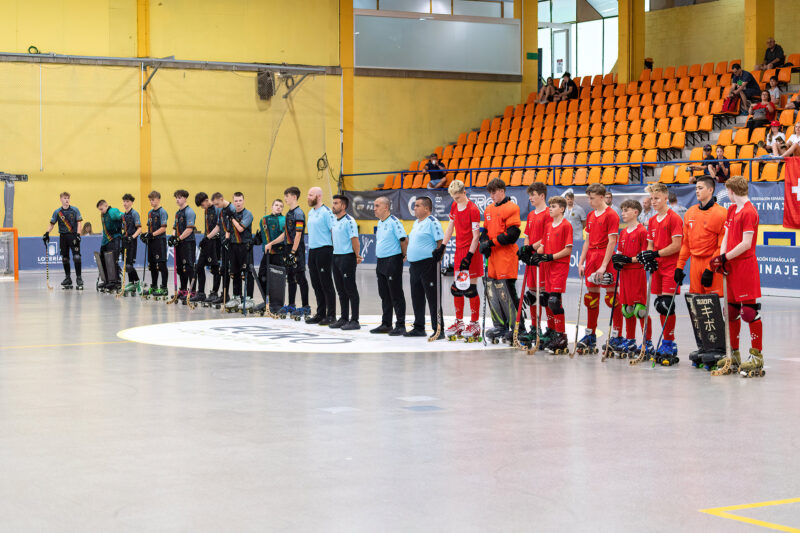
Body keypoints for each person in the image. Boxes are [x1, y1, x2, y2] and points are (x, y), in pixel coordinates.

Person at [709, 176, 764, 376]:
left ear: (732, 191)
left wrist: (726, 257)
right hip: (731, 265)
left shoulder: (749, 211)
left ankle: (757, 356)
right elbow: (726, 236)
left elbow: (746, 243)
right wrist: (721, 258)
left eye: (728, 191)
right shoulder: (732, 209)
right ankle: (733, 354)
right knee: (731, 311)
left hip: (745, 266)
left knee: (749, 312)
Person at [674, 176, 727, 364]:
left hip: (711, 264)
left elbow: (721, 246)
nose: (697, 191)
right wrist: (679, 266)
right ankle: (704, 346)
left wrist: (710, 269)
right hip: (695, 264)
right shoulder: (690, 212)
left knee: (711, 307)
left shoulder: (721, 213)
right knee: (696, 307)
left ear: (711, 190)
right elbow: (686, 244)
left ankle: (718, 348)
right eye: (696, 188)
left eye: (700, 188)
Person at [636, 183, 683, 365]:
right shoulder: (653, 220)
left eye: (656, 198)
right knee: (659, 304)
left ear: (665, 198)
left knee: (667, 305)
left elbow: (676, 245)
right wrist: (649, 256)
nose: (653, 202)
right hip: (657, 267)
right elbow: (650, 243)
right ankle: (664, 342)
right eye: (651, 199)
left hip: (670, 266)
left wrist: (655, 254)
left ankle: (669, 343)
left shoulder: (674, 218)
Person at [432, 179, 482, 341]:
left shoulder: (473, 210)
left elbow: (476, 236)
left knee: (471, 289)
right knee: (457, 288)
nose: (456, 200)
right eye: (454, 198)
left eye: (458, 197)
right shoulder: (454, 206)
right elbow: (450, 227)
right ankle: (459, 322)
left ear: (464, 192)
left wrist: (469, 256)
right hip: (459, 251)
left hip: (471, 251)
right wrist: (442, 246)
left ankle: (474, 324)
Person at [576, 183, 620, 354]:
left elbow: (612, 241)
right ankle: (590, 334)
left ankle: (617, 335)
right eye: (589, 198)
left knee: (612, 298)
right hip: (591, 257)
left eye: (592, 198)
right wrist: (581, 262)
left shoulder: (611, 215)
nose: (590, 201)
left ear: (602, 197)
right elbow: (587, 241)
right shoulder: (590, 215)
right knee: (591, 298)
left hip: (604, 256)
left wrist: (603, 266)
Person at [479, 178, 522, 343]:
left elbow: (512, 235)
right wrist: (484, 242)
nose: (491, 195)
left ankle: (518, 327)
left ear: (502, 191)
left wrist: (490, 243)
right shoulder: (489, 209)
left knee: (507, 293)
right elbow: (485, 230)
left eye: (494, 192)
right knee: (493, 293)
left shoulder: (511, 208)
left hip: (506, 257)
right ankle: (500, 325)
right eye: (490, 193)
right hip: (493, 258)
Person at [531, 196, 573, 354]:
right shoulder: (548, 225)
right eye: (550, 206)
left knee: (554, 301)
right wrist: (536, 254)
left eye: (554, 206)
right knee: (546, 300)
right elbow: (542, 246)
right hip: (547, 267)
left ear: (561, 209)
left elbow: (568, 249)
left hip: (559, 266)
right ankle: (552, 331)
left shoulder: (566, 225)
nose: (550, 209)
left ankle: (561, 336)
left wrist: (551, 256)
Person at [610, 199, 652, 357]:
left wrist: (628, 259)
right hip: (625, 274)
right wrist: (617, 260)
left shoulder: (642, 231)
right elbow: (620, 252)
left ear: (635, 212)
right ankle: (630, 339)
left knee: (640, 309)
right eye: (622, 210)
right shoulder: (623, 233)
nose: (623, 213)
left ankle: (647, 342)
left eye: (626, 210)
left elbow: (643, 255)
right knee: (627, 309)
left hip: (637, 272)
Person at [266, 187, 310, 319]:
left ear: (294, 197)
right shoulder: (288, 214)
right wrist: (272, 243)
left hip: (296, 250)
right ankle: (291, 305)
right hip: (287, 248)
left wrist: (293, 252)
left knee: (300, 277)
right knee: (290, 278)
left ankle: (306, 307)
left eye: (287, 196)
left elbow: (298, 235)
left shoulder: (299, 213)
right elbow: (285, 234)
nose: (285, 198)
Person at [405, 196, 444, 338]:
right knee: (417, 297)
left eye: (417, 205)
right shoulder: (416, 223)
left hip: (428, 265)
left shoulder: (432, 222)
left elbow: (441, 242)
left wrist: (438, 259)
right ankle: (419, 327)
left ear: (426, 208)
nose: (414, 208)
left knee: (433, 299)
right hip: (414, 266)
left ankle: (438, 330)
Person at [518, 182, 552, 346]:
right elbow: (527, 236)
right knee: (532, 294)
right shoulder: (531, 215)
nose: (530, 198)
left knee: (545, 295)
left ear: (542, 196)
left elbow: (546, 237)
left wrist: (532, 248)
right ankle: (535, 327)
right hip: (532, 259)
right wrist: (526, 249)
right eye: (529, 195)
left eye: (533, 195)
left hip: (542, 258)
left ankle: (551, 329)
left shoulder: (548, 213)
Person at [372, 196, 407, 336]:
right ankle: (386, 324)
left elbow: (403, 239)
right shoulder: (380, 222)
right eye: (374, 206)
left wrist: (403, 255)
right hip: (381, 261)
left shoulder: (394, 222)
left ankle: (400, 325)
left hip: (393, 260)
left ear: (386, 207)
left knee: (396, 293)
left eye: (377, 206)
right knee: (384, 294)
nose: (374, 209)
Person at [330, 195, 362, 330]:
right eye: (333, 203)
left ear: (343, 206)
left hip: (347, 257)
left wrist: (357, 255)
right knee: (340, 290)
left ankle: (354, 320)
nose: (333, 205)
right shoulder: (334, 220)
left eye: (336, 203)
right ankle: (343, 318)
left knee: (350, 289)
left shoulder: (349, 221)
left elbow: (355, 239)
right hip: (336, 257)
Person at [305, 187, 337, 325]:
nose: (308, 197)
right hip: (312, 250)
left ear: (318, 196)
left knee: (326, 283)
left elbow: (334, 231)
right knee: (316, 283)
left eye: (310, 195)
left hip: (325, 250)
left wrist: (336, 250)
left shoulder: (326, 212)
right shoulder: (311, 212)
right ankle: (320, 313)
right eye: (308, 194)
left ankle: (331, 315)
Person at [44, 192, 84, 289]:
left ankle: (79, 278)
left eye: (68, 198)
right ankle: (68, 278)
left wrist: (78, 234)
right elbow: (52, 224)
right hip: (63, 237)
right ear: (61, 199)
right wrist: (47, 233)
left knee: (77, 257)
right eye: (65, 198)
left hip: (73, 236)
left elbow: (79, 223)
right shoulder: (57, 212)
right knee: (65, 258)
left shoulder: (75, 210)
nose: (67, 200)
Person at [223, 192, 255, 311]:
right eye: (236, 201)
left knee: (247, 273)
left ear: (243, 201)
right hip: (233, 246)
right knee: (235, 272)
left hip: (245, 246)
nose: (238, 203)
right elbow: (228, 229)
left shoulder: (248, 214)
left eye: (240, 200)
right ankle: (236, 297)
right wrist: (226, 239)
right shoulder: (231, 215)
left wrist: (232, 218)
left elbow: (240, 228)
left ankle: (249, 298)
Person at [257, 199, 285, 314]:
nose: (278, 207)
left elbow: (284, 236)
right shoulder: (264, 219)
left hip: (278, 254)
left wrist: (271, 244)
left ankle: (276, 304)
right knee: (261, 276)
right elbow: (264, 235)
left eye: (281, 206)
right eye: (276, 205)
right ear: (272, 206)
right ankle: (267, 301)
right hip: (266, 254)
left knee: (277, 280)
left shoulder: (283, 219)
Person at [193, 192, 221, 304]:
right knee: (199, 267)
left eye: (202, 204)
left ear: (206, 200)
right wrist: (205, 238)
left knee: (215, 269)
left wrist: (208, 238)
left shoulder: (217, 209)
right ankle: (201, 293)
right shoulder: (206, 210)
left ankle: (214, 293)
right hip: (207, 240)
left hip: (216, 242)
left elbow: (219, 227)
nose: (202, 207)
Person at [141, 191, 169, 298]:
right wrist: (146, 235)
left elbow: (163, 228)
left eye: (153, 200)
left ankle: (164, 288)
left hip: (159, 241)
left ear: (158, 199)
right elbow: (150, 228)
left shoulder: (162, 212)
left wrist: (152, 234)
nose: (151, 202)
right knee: (152, 265)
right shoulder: (150, 213)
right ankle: (154, 286)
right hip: (152, 242)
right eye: (150, 200)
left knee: (161, 265)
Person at [170, 190, 196, 302]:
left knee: (189, 268)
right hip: (180, 243)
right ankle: (183, 290)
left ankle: (193, 291)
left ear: (185, 198)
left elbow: (189, 229)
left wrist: (178, 238)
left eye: (179, 197)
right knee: (180, 268)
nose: (177, 199)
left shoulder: (189, 212)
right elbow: (174, 227)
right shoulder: (177, 213)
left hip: (188, 243)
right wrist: (173, 237)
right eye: (176, 197)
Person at [212, 192, 234, 305]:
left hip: (231, 244)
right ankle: (224, 294)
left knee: (230, 270)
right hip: (223, 242)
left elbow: (234, 226)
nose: (216, 206)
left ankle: (235, 296)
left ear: (222, 199)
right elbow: (218, 226)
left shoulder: (232, 209)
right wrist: (208, 237)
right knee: (223, 270)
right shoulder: (221, 211)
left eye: (217, 204)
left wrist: (228, 239)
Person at [96, 199, 123, 291]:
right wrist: (103, 242)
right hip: (106, 240)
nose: (101, 211)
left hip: (114, 238)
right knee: (102, 260)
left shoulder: (113, 211)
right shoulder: (103, 214)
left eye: (101, 209)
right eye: (99, 209)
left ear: (106, 205)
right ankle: (107, 280)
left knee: (113, 260)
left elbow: (123, 216)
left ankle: (116, 281)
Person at [120, 193, 142, 294]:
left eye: (127, 201)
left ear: (131, 202)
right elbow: (124, 228)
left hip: (132, 242)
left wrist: (132, 237)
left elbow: (139, 229)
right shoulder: (123, 215)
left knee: (129, 265)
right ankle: (131, 283)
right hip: (125, 241)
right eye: (124, 201)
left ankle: (137, 282)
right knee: (126, 265)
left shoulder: (134, 213)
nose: (125, 203)